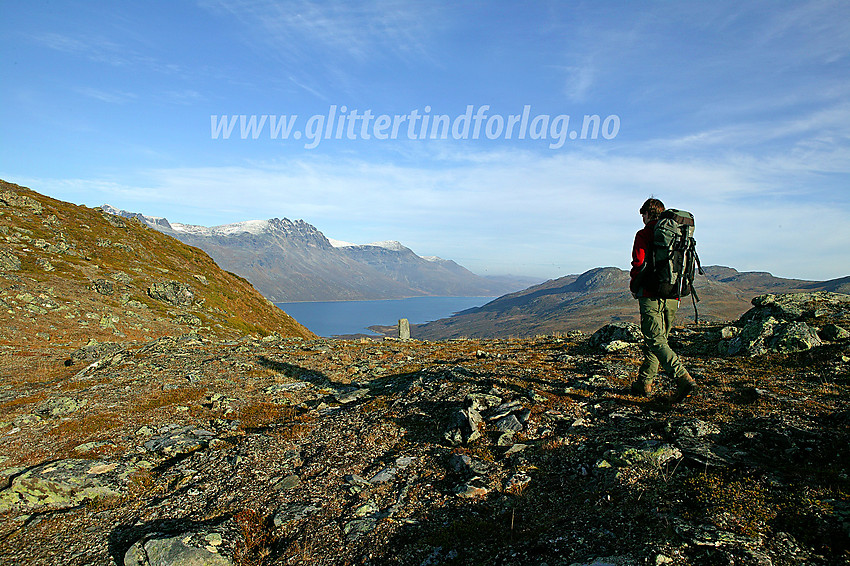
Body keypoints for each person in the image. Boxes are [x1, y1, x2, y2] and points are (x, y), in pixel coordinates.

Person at [629, 198, 697, 403]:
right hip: (673, 295)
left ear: (648, 213)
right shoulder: (677, 233)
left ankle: (683, 379)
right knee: (659, 341)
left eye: (643, 215)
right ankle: (644, 383)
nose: (642, 219)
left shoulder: (645, 233)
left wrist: (635, 285)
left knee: (655, 340)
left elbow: (639, 262)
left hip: (651, 294)